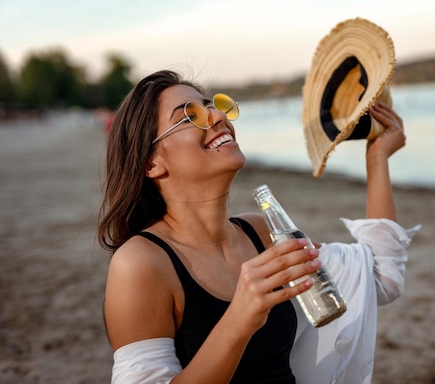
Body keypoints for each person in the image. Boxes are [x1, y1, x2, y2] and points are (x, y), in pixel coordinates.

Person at [98, 69, 418, 384]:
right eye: (190, 116)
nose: (217, 117)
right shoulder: (140, 263)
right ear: (151, 163)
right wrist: (239, 318)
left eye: (213, 106)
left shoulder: (260, 233)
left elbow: (378, 276)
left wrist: (377, 157)